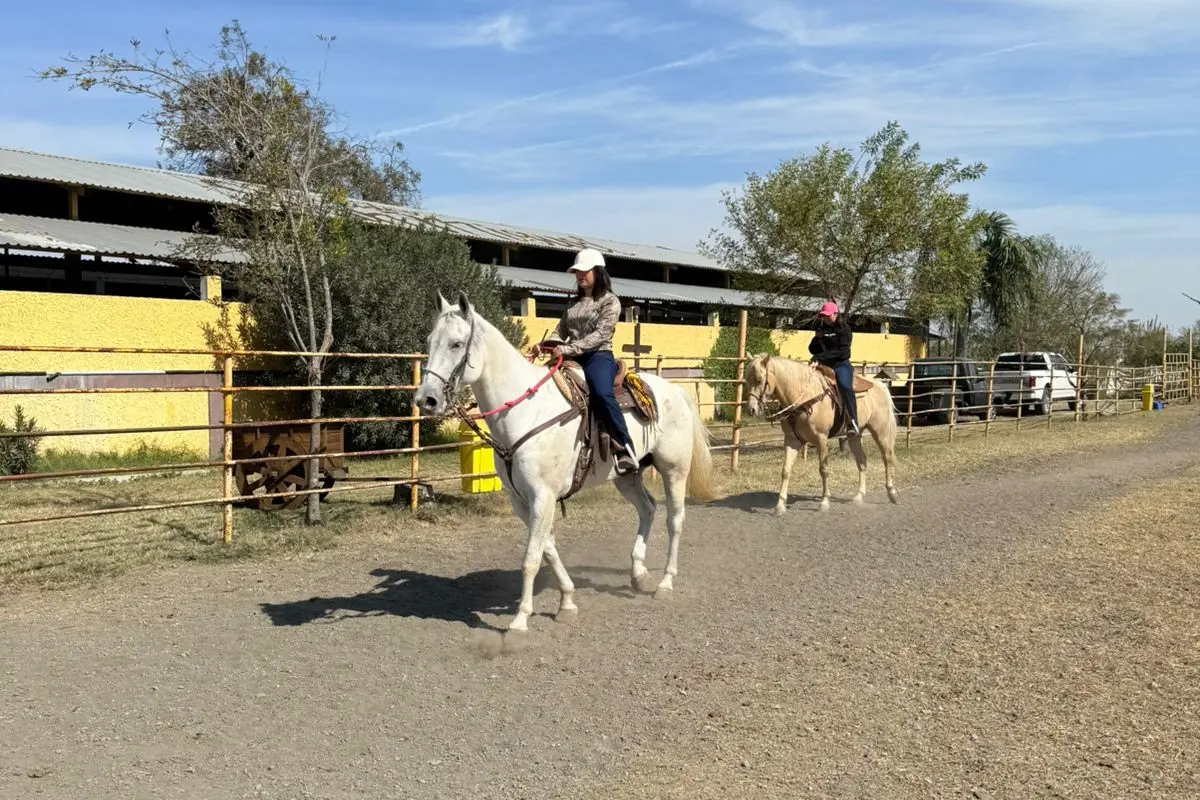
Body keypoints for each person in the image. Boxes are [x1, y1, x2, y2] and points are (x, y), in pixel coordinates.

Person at [530, 248, 639, 475]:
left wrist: (567, 348)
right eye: (576, 272)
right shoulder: (573, 305)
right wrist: (543, 346)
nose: (579, 276)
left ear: (597, 272)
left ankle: (625, 447)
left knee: (601, 392)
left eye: (584, 271)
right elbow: (560, 332)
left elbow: (600, 335)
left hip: (598, 356)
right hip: (570, 356)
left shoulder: (610, 301)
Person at [808, 301, 859, 434]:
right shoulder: (822, 329)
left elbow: (844, 352)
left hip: (841, 364)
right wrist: (817, 339)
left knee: (845, 387)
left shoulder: (845, 329)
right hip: (825, 365)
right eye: (823, 316)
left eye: (828, 315)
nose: (825, 318)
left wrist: (820, 357)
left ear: (836, 314)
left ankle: (853, 422)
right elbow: (812, 349)